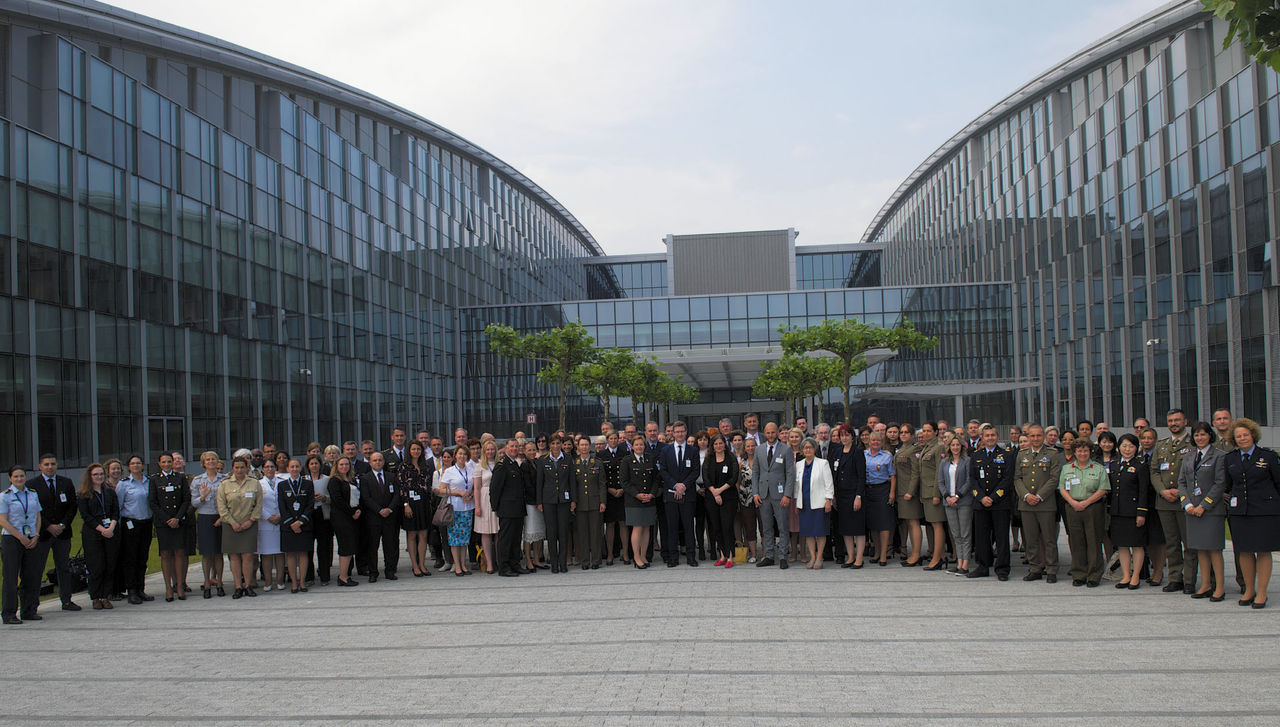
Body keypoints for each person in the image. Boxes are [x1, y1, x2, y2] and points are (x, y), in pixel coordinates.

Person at [1222, 418, 1280, 609]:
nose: (1242, 438)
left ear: (1253, 435)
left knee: (1263, 550)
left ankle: (1262, 592)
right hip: (1240, 511)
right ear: (1234, 439)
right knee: (1244, 550)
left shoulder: (1268, 456)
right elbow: (1228, 485)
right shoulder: (1230, 458)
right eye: (1238, 436)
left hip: (1264, 511)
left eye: (1245, 435)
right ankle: (1249, 590)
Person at [1178, 422, 1226, 601]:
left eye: (1203, 434)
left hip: (1210, 510)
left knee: (1214, 549)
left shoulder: (1219, 456)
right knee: (1200, 549)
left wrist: (1204, 505)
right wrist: (1187, 505)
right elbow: (1181, 482)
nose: (1199, 438)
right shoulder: (1188, 456)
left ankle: (1219, 587)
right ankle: (1205, 585)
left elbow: (1220, 483)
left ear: (1210, 435)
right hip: (1192, 510)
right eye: (1196, 435)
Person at [1151, 409, 1196, 594]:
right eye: (1170, 421)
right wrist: (1162, 490)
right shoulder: (1161, 445)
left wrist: (1182, 491)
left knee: (1189, 543)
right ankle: (1175, 578)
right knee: (1171, 543)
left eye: (1177, 420)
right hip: (1164, 501)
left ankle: (1190, 580)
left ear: (1185, 421)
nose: (1173, 423)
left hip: (1185, 501)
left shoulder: (1193, 443)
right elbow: (1154, 471)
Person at [30, 453, 80, 613]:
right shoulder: (32, 485)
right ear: (40, 466)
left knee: (63, 567)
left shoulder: (66, 482)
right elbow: (33, 510)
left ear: (57, 465)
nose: (50, 467)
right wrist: (48, 526)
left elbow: (72, 506)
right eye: (46, 464)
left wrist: (62, 525)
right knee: (37, 568)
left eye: (52, 464)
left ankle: (66, 600)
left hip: (62, 533)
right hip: (43, 533)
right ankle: (33, 604)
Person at [1014, 424, 1063, 583]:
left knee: (1049, 539)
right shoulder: (1022, 454)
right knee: (1031, 539)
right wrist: (1026, 495)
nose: (1035, 438)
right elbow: (1017, 478)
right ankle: (1034, 568)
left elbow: (1054, 478)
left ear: (1043, 436)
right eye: (1032, 436)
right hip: (1026, 504)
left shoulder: (1052, 454)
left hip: (1045, 504)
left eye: (1038, 435)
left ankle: (1051, 569)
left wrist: (1039, 496)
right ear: (1028, 437)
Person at [1059, 440, 1110, 587]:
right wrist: (1073, 503)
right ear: (1075, 452)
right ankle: (1079, 574)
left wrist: (1086, 503)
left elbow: (1103, 489)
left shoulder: (1098, 468)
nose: (1082, 453)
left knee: (1093, 541)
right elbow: (1062, 488)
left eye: (1085, 451)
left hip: (1093, 507)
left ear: (1090, 452)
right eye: (1079, 451)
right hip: (1073, 507)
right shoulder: (1067, 468)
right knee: (1076, 542)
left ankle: (1094, 575)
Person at [968, 424, 1015, 580]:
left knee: (1002, 537)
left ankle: (1002, 569)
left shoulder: (1006, 455)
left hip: (1000, 503)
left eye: (993, 435)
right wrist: (981, 497)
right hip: (980, 503)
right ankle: (982, 566)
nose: (990, 438)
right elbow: (972, 479)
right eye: (987, 435)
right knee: (981, 537)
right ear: (982, 437)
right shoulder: (976, 455)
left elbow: (1007, 479)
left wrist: (993, 497)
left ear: (997, 437)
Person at [1107, 434, 1150, 590]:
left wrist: (1141, 513)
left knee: (1137, 545)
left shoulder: (1140, 465)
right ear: (1119, 447)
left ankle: (1136, 576)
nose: (1127, 449)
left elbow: (1144, 491)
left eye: (1131, 446)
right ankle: (1126, 576)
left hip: (1133, 512)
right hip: (1117, 511)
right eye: (1124, 446)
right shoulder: (1114, 464)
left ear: (1136, 448)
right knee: (1122, 545)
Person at [1, 466, 43, 624]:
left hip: (31, 538)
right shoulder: (5, 496)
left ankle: (29, 610)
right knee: (11, 578)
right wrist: (20, 537)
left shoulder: (32, 494)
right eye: (16, 476)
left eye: (22, 476)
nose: (19, 479)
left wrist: (36, 535)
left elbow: (38, 516)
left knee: (31, 576)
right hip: (12, 539)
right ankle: (9, 613)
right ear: (10, 478)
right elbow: (3, 520)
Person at [76, 463, 121, 610]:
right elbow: (86, 516)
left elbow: (116, 512)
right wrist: (102, 529)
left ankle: (105, 596)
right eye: (95, 474)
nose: (99, 477)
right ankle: (95, 597)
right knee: (96, 566)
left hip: (111, 532)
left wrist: (111, 527)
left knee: (109, 565)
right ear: (90, 476)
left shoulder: (109, 492)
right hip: (93, 534)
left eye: (101, 474)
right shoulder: (84, 494)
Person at [217, 456, 263, 599]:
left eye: (242, 467)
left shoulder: (254, 483)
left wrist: (251, 520)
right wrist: (233, 522)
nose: (239, 470)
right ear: (232, 468)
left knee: (248, 556)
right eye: (236, 467)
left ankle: (248, 585)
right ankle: (238, 586)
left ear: (247, 468)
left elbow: (258, 505)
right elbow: (222, 507)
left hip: (249, 524)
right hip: (231, 525)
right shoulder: (225, 484)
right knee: (234, 556)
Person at [149, 452, 191, 601]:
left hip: (178, 521)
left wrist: (177, 518)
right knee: (166, 554)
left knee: (180, 553)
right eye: (164, 462)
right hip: (163, 523)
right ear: (159, 464)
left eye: (169, 461)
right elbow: (152, 502)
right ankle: (168, 587)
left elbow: (186, 499)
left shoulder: (180, 478)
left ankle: (179, 586)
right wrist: (167, 519)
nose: (166, 464)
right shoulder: (154, 479)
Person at [658, 421, 701, 568]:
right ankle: (673, 558)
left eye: (682, 431)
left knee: (689, 527)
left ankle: (691, 557)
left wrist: (683, 486)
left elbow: (695, 471)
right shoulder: (665, 451)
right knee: (672, 527)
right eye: (677, 432)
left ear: (686, 432)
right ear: (673, 433)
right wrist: (675, 485)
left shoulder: (693, 451)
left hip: (688, 494)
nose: (680, 434)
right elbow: (663, 470)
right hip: (671, 494)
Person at [754, 422, 796, 569]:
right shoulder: (759, 449)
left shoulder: (786, 449)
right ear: (764, 433)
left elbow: (790, 474)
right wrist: (755, 493)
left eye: (773, 432)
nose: (771, 435)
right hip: (763, 494)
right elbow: (756, 472)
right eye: (768, 432)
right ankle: (769, 556)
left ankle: (783, 556)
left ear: (777, 433)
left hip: (780, 495)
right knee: (766, 527)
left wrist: (787, 494)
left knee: (783, 526)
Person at [117, 455, 154, 604]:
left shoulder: (149, 482)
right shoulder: (123, 484)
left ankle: (140, 589)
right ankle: (131, 590)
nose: (136, 465)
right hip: (130, 524)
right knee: (130, 558)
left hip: (146, 523)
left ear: (143, 465)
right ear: (129, 467)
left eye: (138, 463)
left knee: (142, 558)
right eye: (133, 463)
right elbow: (118, 506)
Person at [358, 452, 401, 582]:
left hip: (389, 517)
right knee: (372, 547)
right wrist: (379, 510)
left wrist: (389, 509)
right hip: (373, 518)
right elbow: (366, 498)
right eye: (375, 460)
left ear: (383, 462)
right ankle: (373, 572)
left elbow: (397, 495)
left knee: (390, 546)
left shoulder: (391, 476)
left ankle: (390, 571)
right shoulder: (365, 478)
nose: (377, 462)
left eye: (380, 460)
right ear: (370, 463)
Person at [491, 439, 529, 577]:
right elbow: (495, 488)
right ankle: (504, 567)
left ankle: (515, 564)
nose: (514, 448)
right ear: (506, 448)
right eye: (512, 446)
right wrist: (495, 507)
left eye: (516, 446)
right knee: (506, 539)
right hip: (507, 509)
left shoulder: (514, 463)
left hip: (518, 508)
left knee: (516, 539)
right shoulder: (502, 465)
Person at [621, 432, 659, 570]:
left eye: (641, 444)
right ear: (632, 447)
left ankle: (643, 556)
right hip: (634, 501)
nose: (639, 447)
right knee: (637, 528)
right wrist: (637, 494)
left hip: (649, 499)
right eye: (636, 445)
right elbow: (624, 482)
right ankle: (636, 557)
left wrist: (652, 494)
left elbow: (656, 479)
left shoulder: (650, 458)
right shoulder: (627, 460)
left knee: (647, 527)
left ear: (644, 446)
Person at [702, 432, 739, 568]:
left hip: (729, 497)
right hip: (712, 497)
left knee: (727, 526)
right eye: (716, 444)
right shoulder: (709, 459)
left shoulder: (731, 458)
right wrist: (714, 492)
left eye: (721, 443)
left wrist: (720, 491)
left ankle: (730, 556)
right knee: (716, 527)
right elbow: (706, 478)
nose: (718, 446)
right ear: (712, 446)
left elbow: (734, 477)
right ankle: (722, 555)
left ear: (725, 444)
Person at [191, 452, 226, 598]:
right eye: (208, 460)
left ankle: (219, 583)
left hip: (220, 516)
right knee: (206, 554)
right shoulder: (198, 480)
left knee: (218, 553)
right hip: (205, 517)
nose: (211, 461)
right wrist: (203, 496)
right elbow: (193, 503)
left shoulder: (224, 479)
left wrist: (222, 517)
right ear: (203, 463)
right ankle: (206, 583)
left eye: (213, 459)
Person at [796, 438, 834, 569]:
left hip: (819, 503)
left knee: (820, 531)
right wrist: (796, 501)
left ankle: (819, 557)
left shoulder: (823, 463)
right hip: (804, 503)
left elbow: (829, 483)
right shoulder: (799, 465)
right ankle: (812, 557)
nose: (808, 450)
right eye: (805, 448)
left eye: (810, 447)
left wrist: (828, 500)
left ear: (815, 449)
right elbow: (796, 485)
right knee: (808, 532)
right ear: (802, 450)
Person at [832, 424, 867, 568]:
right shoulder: (837, 451)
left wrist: (858, 496)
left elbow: (861, 476)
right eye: (842, 435)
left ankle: (859, 558)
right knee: (845, 528)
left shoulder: (857, 452)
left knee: (857, 528)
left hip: (854, 494)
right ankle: (850, 557)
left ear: (852, 436)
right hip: (841, 495)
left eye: (847, 435)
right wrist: (834, 495)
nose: (844, 438)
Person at [278, 459, 315, 593]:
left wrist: (300, 522)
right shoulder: (282, 485)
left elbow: (310, 504)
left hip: (304, 524)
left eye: (297, 466)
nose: (294, 469)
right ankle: (294, 582)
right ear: (288, 469)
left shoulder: (308, 484)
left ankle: (302, 582)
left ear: (300, 468)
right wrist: (292, 523)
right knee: (291, 554)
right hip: (288, 526)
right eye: (292, 467)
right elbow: (282, 506)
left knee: (303, 553)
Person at [397, 442, 433, 578]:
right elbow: (401, 487)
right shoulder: (403, 467)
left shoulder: (426, 466)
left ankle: (422, 564)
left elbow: (428, 486)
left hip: (423, 503)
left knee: (423, 535)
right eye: (413, 449)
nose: (416, 451)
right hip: (410, 504)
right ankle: (415, 566)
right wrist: (406, 504)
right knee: (412, 535)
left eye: (418, 449)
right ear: (409, 451)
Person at [439, 446, 476, 576]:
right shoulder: (449, 471)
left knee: (465, 538)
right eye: (460, 454)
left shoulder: (471, 469)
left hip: (468, 506)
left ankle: (463, 564)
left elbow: (473, 487)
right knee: (455, 538)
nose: (462, 456)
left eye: (464, 454)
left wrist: (470, 495)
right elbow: (441, 489)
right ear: (455, 455)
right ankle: (457, 566)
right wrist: (458, 492)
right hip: (454, 507)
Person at [939, 436, 973, 576]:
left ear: (962, 446)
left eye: (957, 445)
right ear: (949, 447)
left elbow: (969, 481)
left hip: (963, 501)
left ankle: (965, 564)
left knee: (965, 534)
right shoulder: (944, 462)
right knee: (956, 534)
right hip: (949, 502)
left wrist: (957, 496)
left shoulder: (967, 461)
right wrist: (947, 496)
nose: (955, 447)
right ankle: (959, 563)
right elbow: (940, 482)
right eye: (953, 445)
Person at [571, 436, 606, 570]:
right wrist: (573, 501)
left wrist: (603, 501)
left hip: (595, 502)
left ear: (589, 446)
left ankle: (596, 560)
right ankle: (585, 561)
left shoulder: (597, 462)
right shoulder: (574, 463)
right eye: (582, 445)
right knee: (583, 533)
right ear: (578, 447)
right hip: (580, 504)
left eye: (586, 445)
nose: (584, 447)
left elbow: (602, 484)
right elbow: (572, 485)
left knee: (595, 533)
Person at [327, 456, 362, 587]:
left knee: (350, 546)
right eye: (341, 464)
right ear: (336, 466)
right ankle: (342, 577)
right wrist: (352, 512)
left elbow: (358, 496)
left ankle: (345, 575)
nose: (344, 467)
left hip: (353, 516)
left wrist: (358, 510)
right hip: (341, 517)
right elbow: (338, 500)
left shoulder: (352, 479)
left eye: (346, 464)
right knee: (345, 547)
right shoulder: (334, 481)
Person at [863, 432, 896, 566]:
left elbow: (892, 475)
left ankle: (883, 554)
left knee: (884, 523)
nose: (875, 442)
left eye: (878, 440)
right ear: (869, 442)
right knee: (873, 524)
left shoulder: (887, 456)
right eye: (873, 440)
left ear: (882, 442)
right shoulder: (863, 455)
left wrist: (892, 493)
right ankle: (876, 552)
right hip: (868, 491)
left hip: (883, 490)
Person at [916, 422, 946, 570]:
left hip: (934, 492)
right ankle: (940, 556)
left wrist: (936, 494)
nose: (925, 433)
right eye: (924, 431)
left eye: (929, 431)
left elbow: (939, 473)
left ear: (936, 432)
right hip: (926, 492)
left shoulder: (939, 447)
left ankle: (937, 559)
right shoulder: (926, 447)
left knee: (937, 524)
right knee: (933, 524)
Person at [893, 424, 923, 566]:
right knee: (909, 523)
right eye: (902, 432)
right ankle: (914, 554)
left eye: (906, 432)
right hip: (901, 491)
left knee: (913, 522)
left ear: (912, 435)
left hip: (909, 493)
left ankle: (916, 554)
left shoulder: (914, 449)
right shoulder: (902, 449)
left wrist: (911, 491)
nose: (903, 435)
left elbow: (916, 472)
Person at [600, 431, 629, 566]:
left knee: (623, 523)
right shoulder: (601, 455)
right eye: (610, 438)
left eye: (615, 438)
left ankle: (626, 553)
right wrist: (609, 489)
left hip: (623, 493)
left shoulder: (625, 453)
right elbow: (601, 477)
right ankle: (610, 554)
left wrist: (623, 489)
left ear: (618, 439)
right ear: (607, 440)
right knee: (610, 524)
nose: (613, 440)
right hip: (609, 494)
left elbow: (628, 473)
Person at [304, 454, 333, 586]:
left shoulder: (327, 479)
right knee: (308, 548)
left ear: (320, 465)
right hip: (309, 515)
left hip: (323, 514)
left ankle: (324, 576)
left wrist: (324, 498)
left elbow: (332, 497)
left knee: (323, 547)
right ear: (308, 466)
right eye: (312, 464)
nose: (314, 466)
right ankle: (309, 576)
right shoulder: (304, 480)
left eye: (316, 463)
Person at [519, 440, 547, 571]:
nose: (531, 452)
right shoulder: (524, 465)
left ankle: (536, 559)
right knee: (529, 533)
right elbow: (528, 486)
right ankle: (528, 560)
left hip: (539, 503)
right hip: (530, 503)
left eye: (533, 450)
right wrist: (537, 501)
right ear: (524, 451)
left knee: (538, 533)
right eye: (529, 450)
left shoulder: (537, 462)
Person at [473, 439, 500, 574]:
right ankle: (489, 563)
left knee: (499, 531)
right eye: (488, 449)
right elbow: (476, 488)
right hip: (484, 499)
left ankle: (499, 560)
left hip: (498, 499)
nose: (490, 452)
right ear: (484, 451)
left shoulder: (500, 464)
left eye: (492, 449)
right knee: (486, 532)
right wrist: (477, 506)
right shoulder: (479, 466)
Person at [255, 459, 282, 592]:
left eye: (272, 466)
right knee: (266, 555)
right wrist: (268, 516)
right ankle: (268, 581)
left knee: (280, 554)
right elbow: (256, 504)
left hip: (280, 521)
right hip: (265, 522)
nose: (270, 469)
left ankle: (280, 581)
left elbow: (286, 502)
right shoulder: (258, 484)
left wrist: (280, 516)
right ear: (263, 469)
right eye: (267, 467)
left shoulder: (282, 482)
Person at [736, 436, 759, 564]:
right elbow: (738, 482)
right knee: (750, 527)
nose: (750, 448)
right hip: (745, 499)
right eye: (748, 446)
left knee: (764, 527)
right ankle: (753, 554)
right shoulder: (741, 463)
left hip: (761, 498)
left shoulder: (762, 461)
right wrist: (739, 496)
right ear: (745, 448)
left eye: (752, 445)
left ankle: (765, 554)